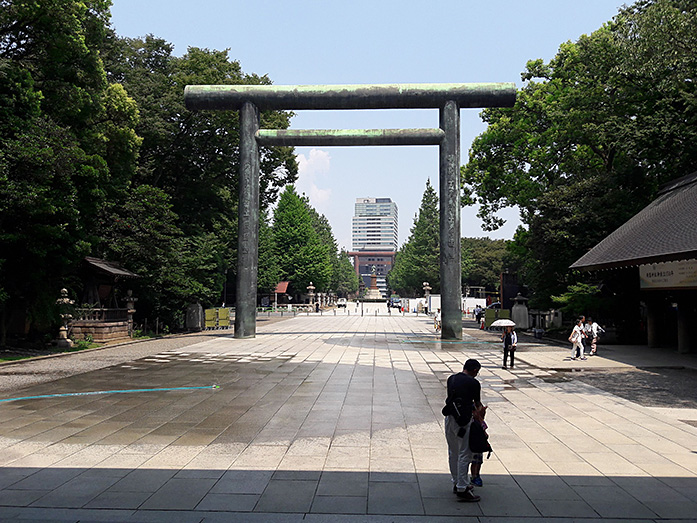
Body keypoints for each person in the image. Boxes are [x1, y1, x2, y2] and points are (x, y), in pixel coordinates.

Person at [442, 359, 483, 502]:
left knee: (453, 452)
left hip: (449, 418)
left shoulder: (451, 379)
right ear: (474, 370)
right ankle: (462, 488)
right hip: (464, 422)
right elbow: (477, 405)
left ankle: (456, 482)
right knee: (465, 454)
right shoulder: (474, 383)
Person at [469, 405, 488, 487]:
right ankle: (474, 476)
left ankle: (477, 475)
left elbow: (485, 432)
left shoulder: (480, 422)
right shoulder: (472, 422)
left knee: (478, 462)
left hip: (478, 445)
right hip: (474, 445)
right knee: (474, 462)